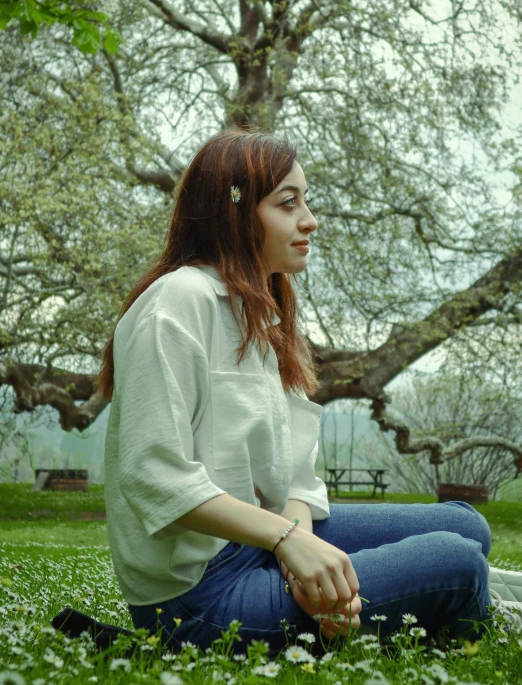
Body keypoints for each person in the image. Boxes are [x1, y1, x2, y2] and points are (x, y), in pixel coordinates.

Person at [94, 127, 495, 659]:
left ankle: (420, 606)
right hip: (197, 599)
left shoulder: (261, 314)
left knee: (465, 525)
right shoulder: (178, 304)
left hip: (260, 548)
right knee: (458, 562)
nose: (309, 220)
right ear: (233, 210)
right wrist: (287, 541)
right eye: (289, 204)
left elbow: (291, 477)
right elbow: (155, 478)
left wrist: (298, 548)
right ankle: (452, 632)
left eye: (305, 201)